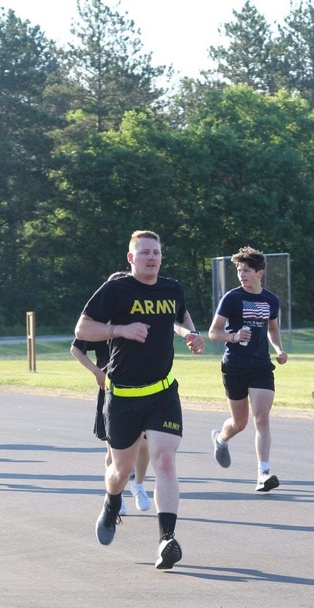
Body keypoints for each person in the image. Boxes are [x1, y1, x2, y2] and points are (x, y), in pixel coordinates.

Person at [75, 230, 205, 570]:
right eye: (145, 252)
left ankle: (167, 540)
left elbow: (180, 315)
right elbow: (82, 330)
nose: (152, 257)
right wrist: (121, 330)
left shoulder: (172, 288)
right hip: (123, 397)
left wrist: (190, 333)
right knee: (121, 470)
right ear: (131, 258)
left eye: (157, 252)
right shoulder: (117, 290)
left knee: (165, 460)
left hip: (163, 391)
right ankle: (111, 502)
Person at [70, 273, 153, 514]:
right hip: (111, 389)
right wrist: (97, 372)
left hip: (142, 388)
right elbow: (76, 349)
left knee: (144, 445)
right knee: (113, 449)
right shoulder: (101, 323)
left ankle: (138, 486)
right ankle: (116, 495)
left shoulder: (135, 319)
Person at [207, 247, 288, 492]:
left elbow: (272, 328)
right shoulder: (232, 298)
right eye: (239, 270)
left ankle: (263, 472)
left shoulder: (271, 300)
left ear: (259, 273)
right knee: (240, 422)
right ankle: (221, 438)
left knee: (261, 418)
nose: (242, 275)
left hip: (261, 365)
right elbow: (213, 332)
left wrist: (279, 349)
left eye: (247, 270)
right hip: (235, 366)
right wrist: (233, 337)